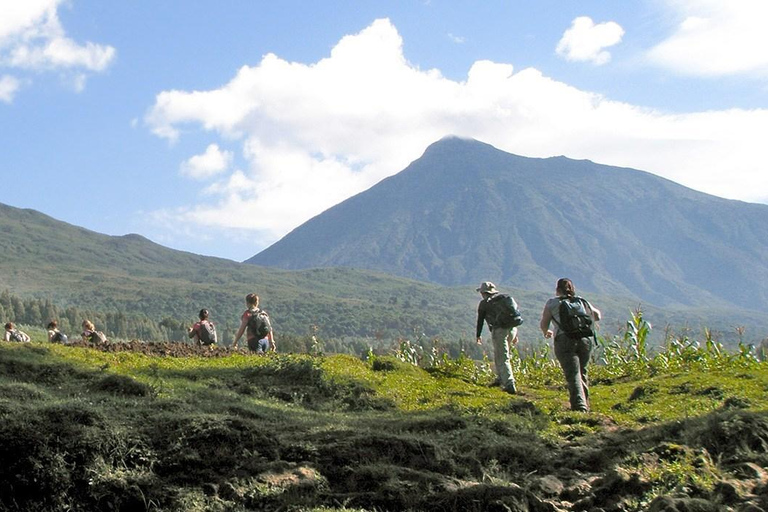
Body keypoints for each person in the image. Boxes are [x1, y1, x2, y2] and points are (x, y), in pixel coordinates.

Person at [539, 278, 601, 412]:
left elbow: (544, 323)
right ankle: (586, 404)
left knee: (572, 374)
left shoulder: (552, 303)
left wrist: (546, 332)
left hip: (564, 340)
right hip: (585, 340)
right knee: (582, 372)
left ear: (557, 290)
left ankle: (580, 407)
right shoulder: (582, 301)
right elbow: (598, 316)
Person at [475, 281, 519, 394]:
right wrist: (515, 335)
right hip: (512, 329)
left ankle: (509, 384)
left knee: (502, 356)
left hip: (499, 331)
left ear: (483, 293)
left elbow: (480, 321)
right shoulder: (503, 300)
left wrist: (478, 335)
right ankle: (500, 378)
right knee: (503, 354)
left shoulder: (484, 304)